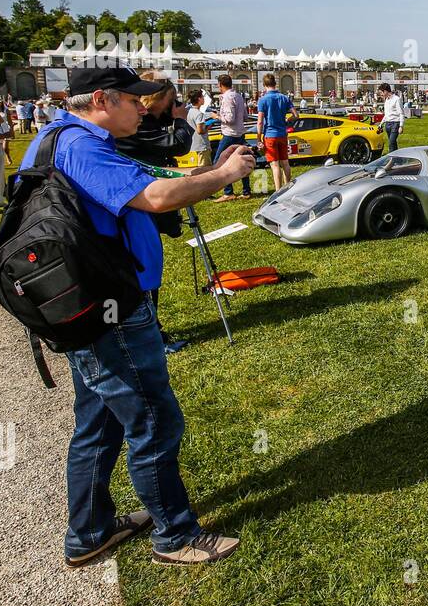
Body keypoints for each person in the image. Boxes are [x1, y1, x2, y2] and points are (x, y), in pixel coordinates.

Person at [15, 61, 255, 566]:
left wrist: (209, 169)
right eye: (132, 98)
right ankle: (176, 536)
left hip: (93, 305)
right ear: (102, 100)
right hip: (114, 309)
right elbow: (154, 196)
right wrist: (228, 176)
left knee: (99, 423)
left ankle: (89, 532)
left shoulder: (66, 138)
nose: (142, 106)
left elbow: (148, 175)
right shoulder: (80, 145)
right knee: (153, 420)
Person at [116, 75, 196, 355]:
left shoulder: (144, 123)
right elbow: (177, 145)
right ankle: (149, 334)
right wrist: (181, 120)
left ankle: (150, 331)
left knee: (146, 271)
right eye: (170, 101)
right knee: (144, 270)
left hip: (142, 203)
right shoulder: (140, 125)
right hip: (142, 206)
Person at [213, 74, 251, 201]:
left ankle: (228, 192)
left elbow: (229, 119)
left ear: (220, 85)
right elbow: (245, 116)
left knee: (220, 161)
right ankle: (246, 191)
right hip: (240, 133)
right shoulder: (239, 96)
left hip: (230, 134)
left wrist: (217, 117)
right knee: (243, 161)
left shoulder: (228, 98)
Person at [256, 74, 297, 191]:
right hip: (282, 134)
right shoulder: (284, 98)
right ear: (275, 84)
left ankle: (278, 192)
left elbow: (260, 122)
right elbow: (296, 115)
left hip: (270, 135)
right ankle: (288, 188)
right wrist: (288, 120)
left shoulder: (263, 100)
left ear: (264, 85)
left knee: (275, 165)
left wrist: (258, 139)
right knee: (285, 163)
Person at [185, 89, 214, 166]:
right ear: (199, 99)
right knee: (204, 170)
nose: (204, 99)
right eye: (202, 97)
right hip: (202, 146)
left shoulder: (190, 111)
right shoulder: (199, 114)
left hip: (194, 145)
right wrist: (209, 125)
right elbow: (200, 130)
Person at [379, 82, 403, 153]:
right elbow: (386, 114)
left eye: (381, 92)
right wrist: (381, 124)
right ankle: (398, 160)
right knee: (393, 143)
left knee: (391, 143)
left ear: (385, 91)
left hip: (395, 124)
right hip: (388, 124)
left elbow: (401, 113)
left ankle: (391, 161)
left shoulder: (397, 99)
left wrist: (401, 126)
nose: (381, 94)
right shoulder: (386, 100)